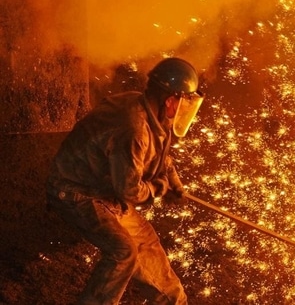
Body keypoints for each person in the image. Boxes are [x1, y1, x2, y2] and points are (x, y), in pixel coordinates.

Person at [46, 57, 204, 304]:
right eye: (184, 102)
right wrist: (159, 187)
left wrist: (173, 181)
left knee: (147, 246)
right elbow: (130, 190)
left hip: (106, 193)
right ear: (170, 100)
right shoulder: (132, 128)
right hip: (76, 191)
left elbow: (159, 155)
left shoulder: (150, 112)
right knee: (123, 252)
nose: (184, 110)